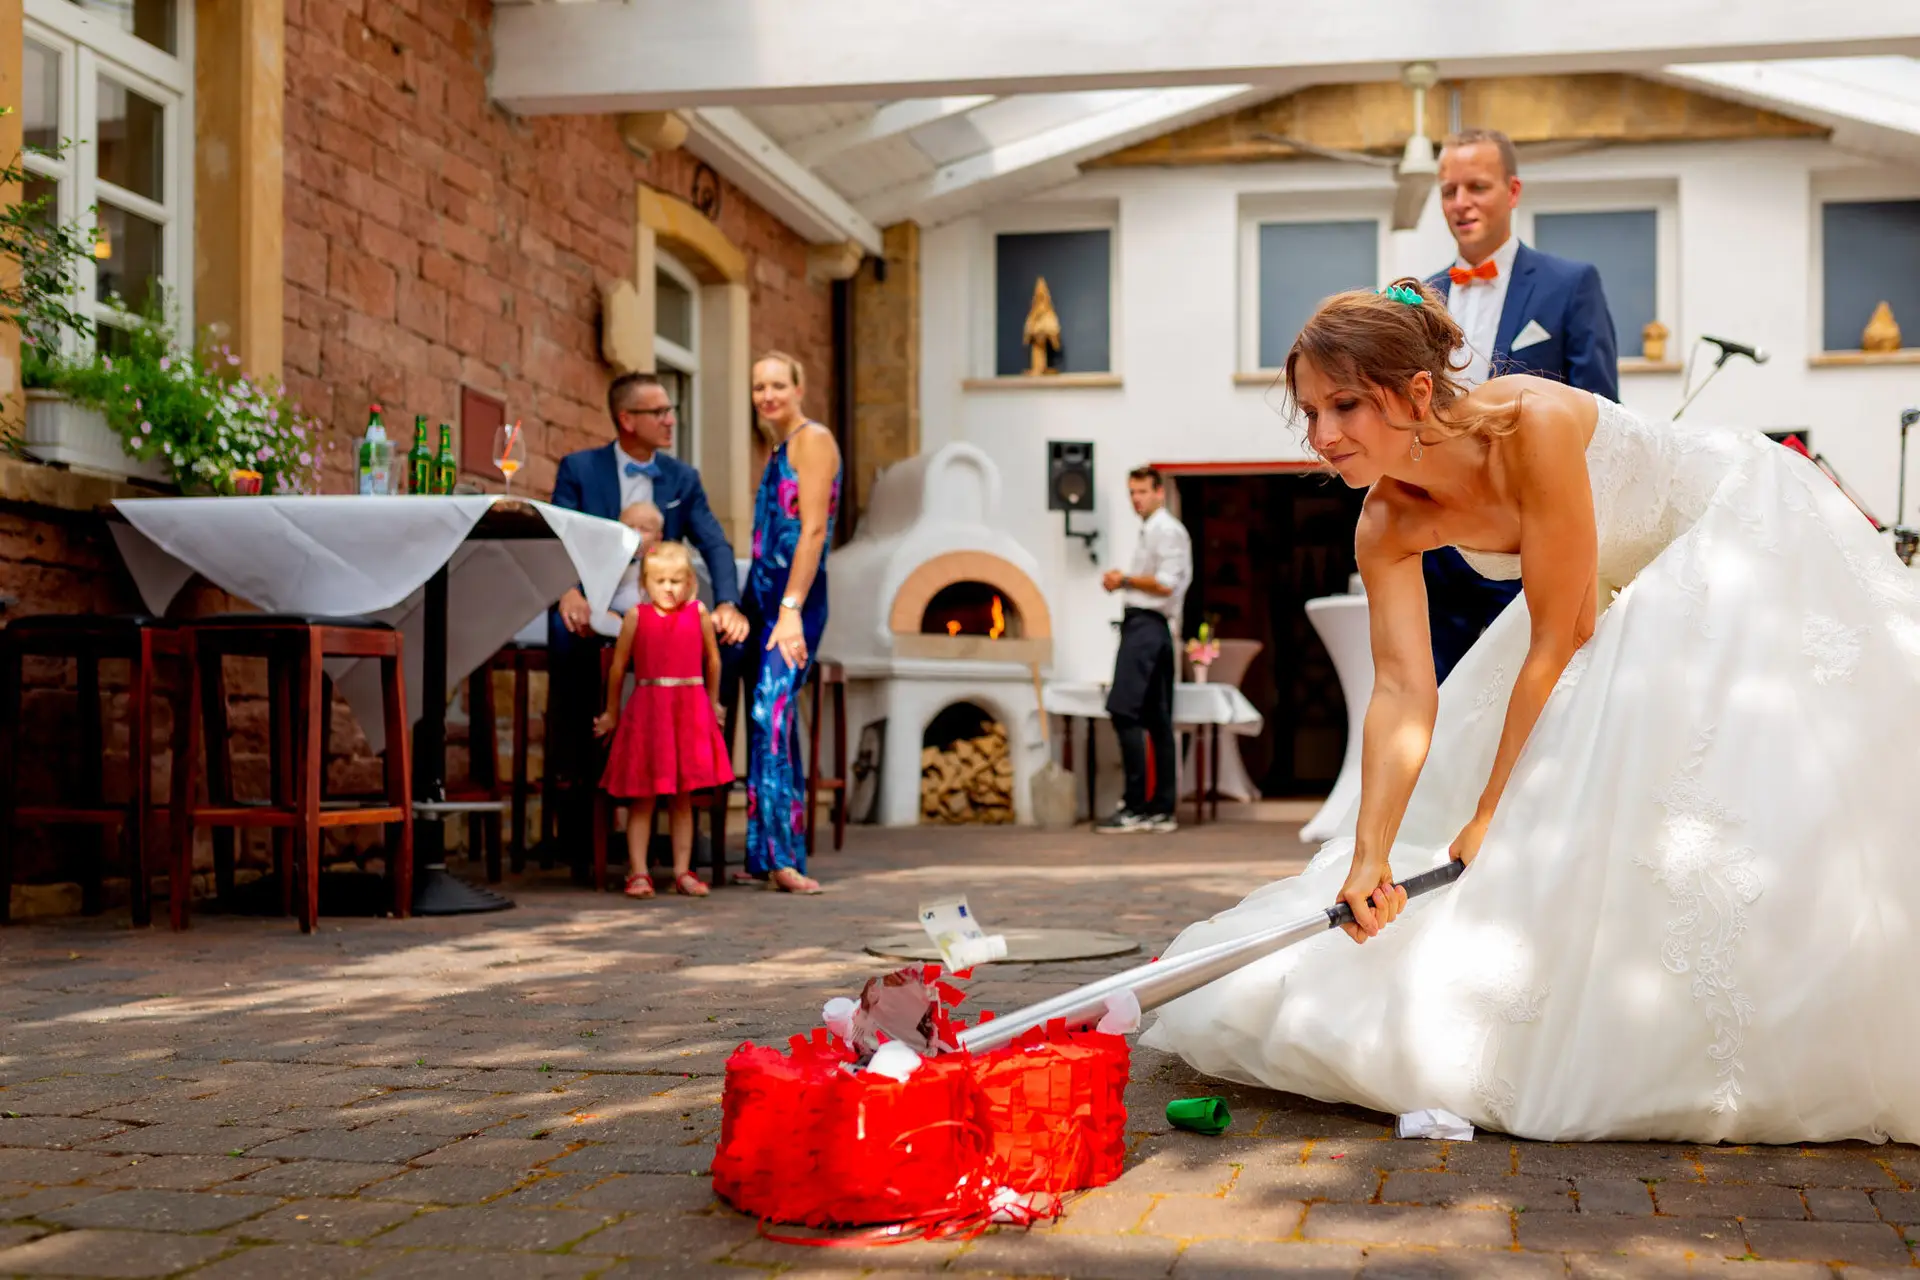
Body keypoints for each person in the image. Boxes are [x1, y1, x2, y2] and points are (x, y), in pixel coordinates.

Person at [1140, 280, 1920, 1145]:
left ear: (1418, 393)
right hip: (1606, 588)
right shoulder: (1384, 522)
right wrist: (1370, 854)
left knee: (1700, 792)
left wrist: (1492, 811)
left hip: (1728, 533)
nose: (1323, 435)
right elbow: (1402, 691)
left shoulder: (1529, 426)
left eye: (1346, 405)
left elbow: (1564, 634)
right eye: (1311, 412)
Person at [1421, 128, 1620, 685]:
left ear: (1512, 191)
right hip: (1441, 543)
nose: (1461, 203)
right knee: (1445, 692)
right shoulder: (1420, 298)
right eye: (1449, 191)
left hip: (1534, 533)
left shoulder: (1571, 284)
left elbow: (1601, 414)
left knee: (1544, 689)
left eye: (1477, 187)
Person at [547, 373, 749, 875]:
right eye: (658, 411)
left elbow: (714, 542)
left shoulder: (682, 478)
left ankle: (701, 776)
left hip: (662, 612)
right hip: (596, 604)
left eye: (669, 410)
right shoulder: (580, 469)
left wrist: (728, 603)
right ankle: (582, 802)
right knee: (565, 638)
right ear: (627, 420)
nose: (670, 420)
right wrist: (567, 591)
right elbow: (559, 537)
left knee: (730, 643)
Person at [740, 352, 841, 895]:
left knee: (770, 712)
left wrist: (791, 610)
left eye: (778, 384)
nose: (767, 395)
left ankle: (782, 858)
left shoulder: (813, 440)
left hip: (793, 604)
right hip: (764, 602)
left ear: (799, 389)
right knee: (770, 721)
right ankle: (770, 853)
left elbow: (814, 531)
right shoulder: (777, 447)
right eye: (759, 386)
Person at [594, 541, 731, 900]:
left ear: (690, 582)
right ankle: (638, 871)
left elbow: (713, 660)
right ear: (645, 583)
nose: (668, 588)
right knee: (642, 797)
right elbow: (618, 668)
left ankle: (683, 871)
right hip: (649, 715)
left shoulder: (699, 613)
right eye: (660, 581)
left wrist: (712, 702)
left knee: (682, 798)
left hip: (688, 712)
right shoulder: (636, 617)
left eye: (676, 580)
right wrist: (612, 712)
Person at [1097, 466, 1192, 834]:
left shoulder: (1166, 530)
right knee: (1156, 720)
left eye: (1142, 492)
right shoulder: (1152, 529)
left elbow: (1166, 584)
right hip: (1149, 629)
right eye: (1132, 493)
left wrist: (1123, 580)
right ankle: (1160, 810)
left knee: (1124, 712)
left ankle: (1136, 807)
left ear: (1159, 492)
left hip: (1147, 628)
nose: (1136, 499)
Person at [605, 501, 664, 626]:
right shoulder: (608, 560)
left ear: (658, 537)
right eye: (629, 527)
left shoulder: (664, 565)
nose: (635, 534)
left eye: (644, 529)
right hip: (614, 619)